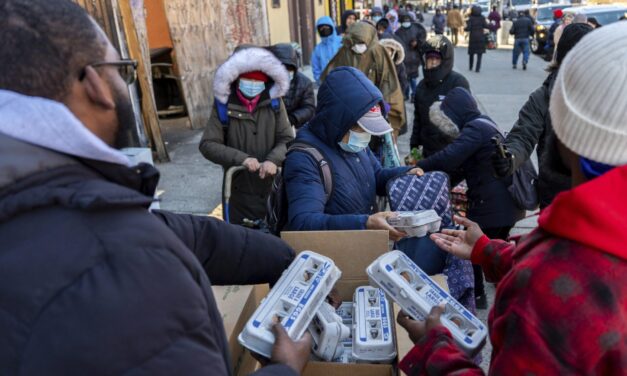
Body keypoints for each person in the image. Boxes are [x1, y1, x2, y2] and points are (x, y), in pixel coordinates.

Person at [0, 0, 311, 374]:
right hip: (242, 193)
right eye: (122, 69)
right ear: (95, 83)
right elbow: (136, 240)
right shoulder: (122, 265)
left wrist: (285, 258)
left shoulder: (48, 200)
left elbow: (180, 233)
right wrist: (286, 369)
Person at [398, 23, 627, 375]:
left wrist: (435, 347)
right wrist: (490, 250)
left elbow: (563, 268)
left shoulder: (544, 295)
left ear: (561, 134)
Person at [413, 87, 524, 308]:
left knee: (475, 251)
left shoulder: (474, 129)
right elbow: (465, 166)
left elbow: (449, 156)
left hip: (491, 208)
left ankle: (479, 297)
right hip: (506, 206)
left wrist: (419, 167)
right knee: (496, 250)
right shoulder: (486, 124)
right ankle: (507, 292)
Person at [284, 67, 422, 240]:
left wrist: (404, 174)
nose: (367, 135)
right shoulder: (304, 158)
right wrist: (365, 223)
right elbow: (303, 223)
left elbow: (376, 175)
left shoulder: (351, 142)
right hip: (338, 253)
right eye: (362, 128)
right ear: (339, 119)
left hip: (363, 244)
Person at [493, 24, 593, 209]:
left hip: (600, 199)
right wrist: (509, 157)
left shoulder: (609, 95)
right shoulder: (544, 97)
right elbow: (523, 135)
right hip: (556, 199)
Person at [199, 47, 294, 224]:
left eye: (257, 80)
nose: (252, 84)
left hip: (273, 189)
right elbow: (208, 144)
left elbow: (287, 139)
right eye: (247, 79)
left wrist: (273, 159)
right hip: (238, 192)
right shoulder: (223, 105)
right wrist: (242, 159)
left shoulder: (274, 101)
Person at [322, 22, 406, 137]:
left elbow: (389, 85)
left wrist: (384, 108)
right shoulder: (345, 52)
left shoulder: (378, 52)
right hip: (347, 115)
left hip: (374, 114)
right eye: (354, 42)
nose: (357, 46)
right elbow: (331, 80)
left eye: (361, 42)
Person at [410, 35, 470, 157]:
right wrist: (414, 144)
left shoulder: (458, 83)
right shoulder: (421, 86)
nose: (432, 62)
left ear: (445, 61)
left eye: (437, 58)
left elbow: (468, 120)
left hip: (451, 151)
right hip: (427, 151)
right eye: (429, 58)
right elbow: (418, 119)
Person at [269, 43, 316, 132]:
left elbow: (309, 108)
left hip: (296, 127)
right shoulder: (267, 81)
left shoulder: (304, 83)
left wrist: (293, 118)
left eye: (288, 68)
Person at [395, 10, 427, 101]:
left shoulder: (416, 29)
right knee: (405, 78)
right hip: (403, 59)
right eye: (404, 20)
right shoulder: (398, 32)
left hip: (414, 58)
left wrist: (417, 43)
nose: (406, 22)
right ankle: (406, 94)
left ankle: (414, 94)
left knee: (413, 79)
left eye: (407, 20)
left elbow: (422, 41)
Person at [311, 16, 342, 84]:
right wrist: (321, 82)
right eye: (321, 28)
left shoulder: (341, 42)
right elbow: (316, 69)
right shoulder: (317, 49)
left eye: (326, 27)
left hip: (343, 81)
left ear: (332, 27)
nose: (324, 29)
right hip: (326, 85)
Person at [380, 38, 409, 103]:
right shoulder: (377, 63)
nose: (387, 52)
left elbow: (403, 81)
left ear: (393, 52)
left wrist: (398, 96)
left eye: (389, 50)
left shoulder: (399, 65)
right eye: (385, 49)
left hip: (393, 96)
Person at [466, 5, 489, 73]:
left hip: (473, 37)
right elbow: (486, 26)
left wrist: (465, 28)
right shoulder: (482, 18)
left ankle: (471, 66)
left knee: (471, 53)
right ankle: (477, 68)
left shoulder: (471, 18)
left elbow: (468, 28)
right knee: (480, 54)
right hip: (481, 37)